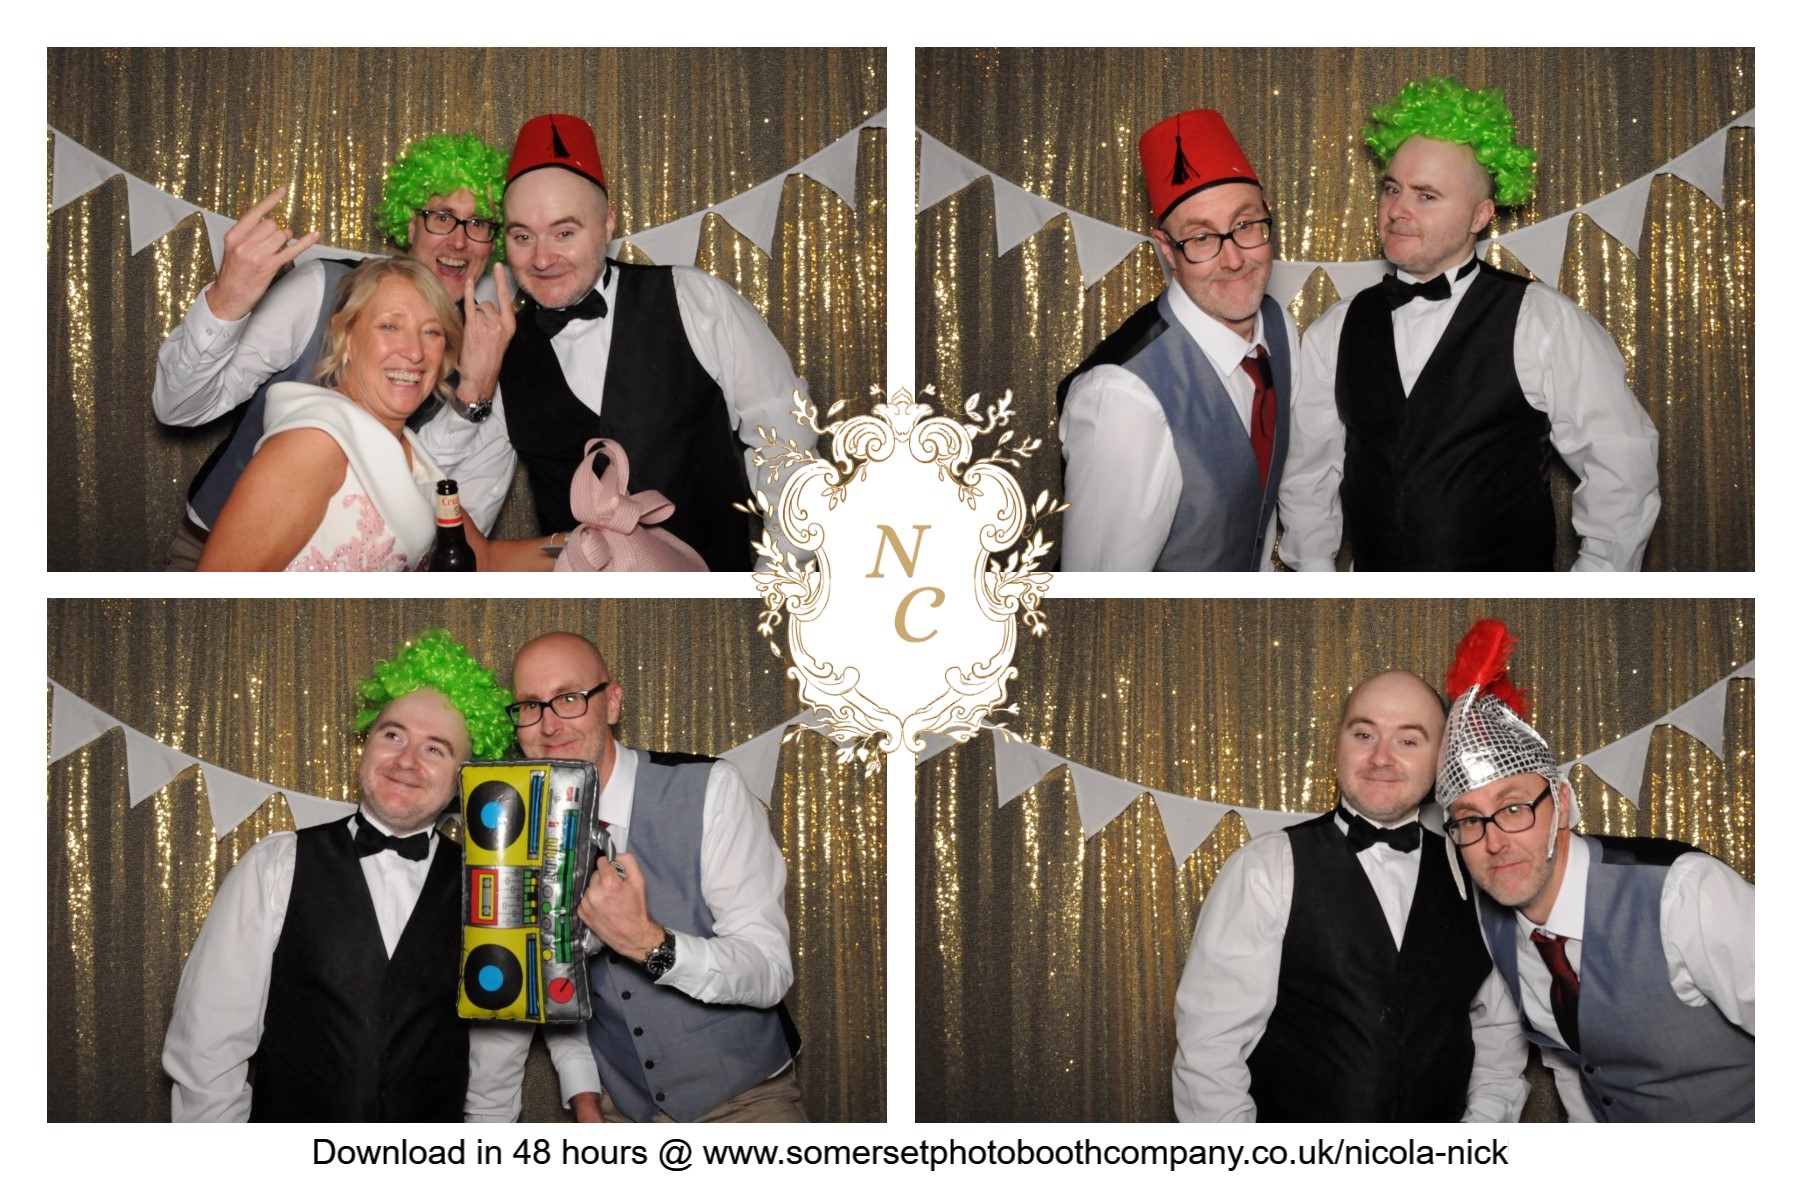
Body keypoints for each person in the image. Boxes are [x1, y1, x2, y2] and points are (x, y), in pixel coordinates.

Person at [1280, 77, 1661, 571]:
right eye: (1392, 189)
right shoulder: (1335, 329)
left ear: (1480, 215)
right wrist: (1317, 578)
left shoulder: (1543, 321)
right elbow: (1307, 474)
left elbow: (1622, 468)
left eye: (1426, 196)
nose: (1397, 210)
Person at [415, 114, 816, 572]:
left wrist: (777, 576)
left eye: (564, 233)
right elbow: (448, 497)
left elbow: (785, 435)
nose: (542, 258)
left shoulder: (694, 299)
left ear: (607, 224)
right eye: (523, 236)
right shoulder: (505, 349)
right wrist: (473, 388)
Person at [162, 630, 517, 1120]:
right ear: (366, 743)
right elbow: (208, 1049)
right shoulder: (277, 865)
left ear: (464, 778)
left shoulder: (490, 889)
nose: (407, 761)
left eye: (436, 749)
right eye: (393, 735)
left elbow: (494, 1072)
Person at [466, 632, 804, 1122]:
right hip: (621, 1109)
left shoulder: (711, 788)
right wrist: (585, 1096)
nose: (549, 724)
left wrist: (649, 943)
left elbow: (769, 969)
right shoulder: (517, 829)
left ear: (612, 702)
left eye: (569, 698)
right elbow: (552, 984)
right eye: (531, 706)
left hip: (745, 1102)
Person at [1171, 668, 1527, 1121]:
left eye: (1408, 740)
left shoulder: (1477, 869)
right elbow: (1209, 1053)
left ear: (1442, 758)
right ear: (1338, 743)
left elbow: (1500, 1037)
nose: (1381, 758)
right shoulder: (1267, 866)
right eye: (1364, 734)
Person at [1436, 620, 1754, 1121]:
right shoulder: (1492, 919)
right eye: (1470, 820)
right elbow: (1575, 1067)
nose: (1494, 842)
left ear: (1562, 802)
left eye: (1514, 808)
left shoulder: (1685, 893)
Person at [152, 132, 517, 568]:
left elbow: (423, 512)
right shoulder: (320, 289)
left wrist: (473, 395)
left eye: (479, 224)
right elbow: (179, 408)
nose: (459, 241)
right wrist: (226, 303)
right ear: (410, 224)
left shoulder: (491, 351)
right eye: (442, 217)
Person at [196, 257, 554, 571]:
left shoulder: (411, 454)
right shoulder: (314, 444)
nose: (414, 352)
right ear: (346, 336)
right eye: (389, 326)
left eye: (431, 332)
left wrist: (578, 541)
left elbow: (484, 561)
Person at [1056, 108, 1297, 571]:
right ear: (1167, 249)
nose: (1233, 259)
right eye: (1201, 237)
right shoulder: (1123, 402)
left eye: (1245, 225)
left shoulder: (1279, 328)